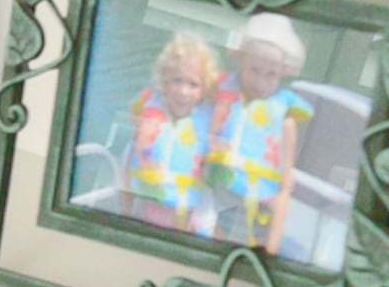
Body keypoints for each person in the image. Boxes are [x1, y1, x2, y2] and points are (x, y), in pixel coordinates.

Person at [202, 14, 315, 254]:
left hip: (261, 185)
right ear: (241, 61)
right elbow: (204, 110)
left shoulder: (281, 106)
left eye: (271, 75)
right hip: (224, 178)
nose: (261, 81)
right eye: (254, 70)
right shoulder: (225, 89)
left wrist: (286, 175)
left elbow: (287, 137)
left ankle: (266, 255)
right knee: (219, 231)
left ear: (283, 73)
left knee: (260, 232)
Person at [109, 32, 221, 235]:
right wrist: (125, 209)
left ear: (204, 89)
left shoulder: (206, 124)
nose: (183, 91)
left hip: (186, 220)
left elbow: (208, 181)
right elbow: (130, 163)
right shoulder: (150, 113)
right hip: (145, 208)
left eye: (193, 84)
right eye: (177, 81)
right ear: (164, 81)